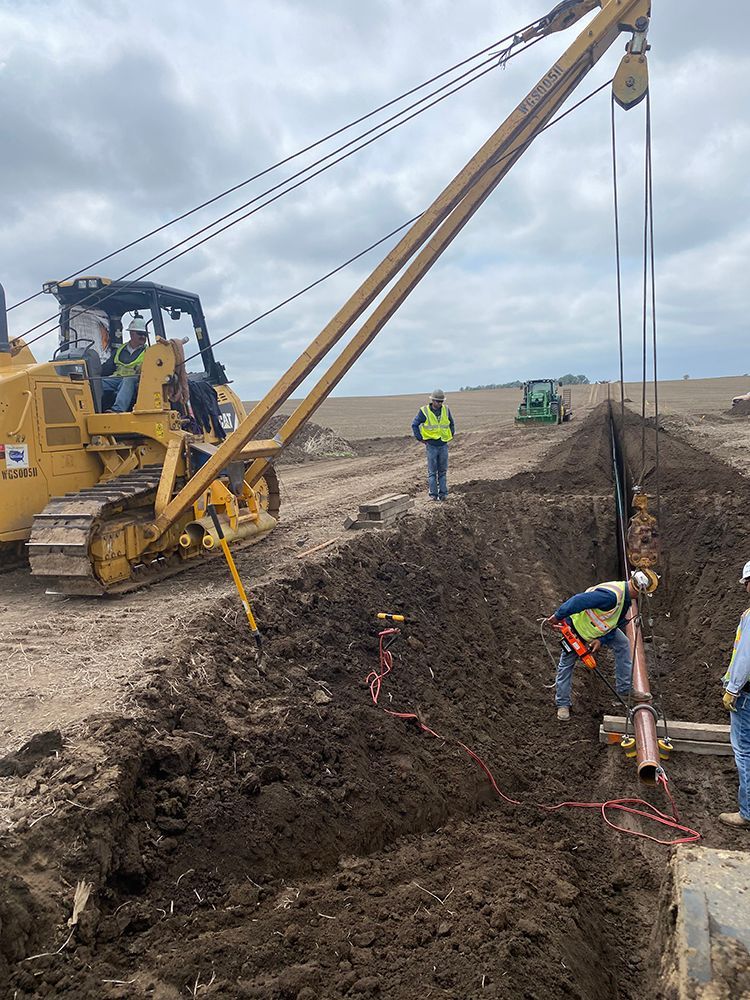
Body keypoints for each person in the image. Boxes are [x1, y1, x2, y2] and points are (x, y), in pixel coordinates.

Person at [546, 571, 653, 721]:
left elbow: (614, 623)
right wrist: (558, 616)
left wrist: (601, 640)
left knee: (623, 643)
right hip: (577, 629)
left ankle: (625, 689)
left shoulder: (625, 599)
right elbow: (578, 601)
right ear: (638, 589)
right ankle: (562, 704)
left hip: (597, 631)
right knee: (566, 664)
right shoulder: (611, 596)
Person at [719, 560, 750, 829]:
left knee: (744, 752)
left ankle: (747, 813)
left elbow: (745, 658)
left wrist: (732, 689)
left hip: (748, 695)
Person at [411, 389, 455, 501]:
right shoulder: (424, 411)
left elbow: (451, 423)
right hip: (431, 445)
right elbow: (415, 425)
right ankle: (433, 496)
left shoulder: (446, 410)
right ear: (432, 400)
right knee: (432, 473)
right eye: (437, 401)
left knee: (443, 471)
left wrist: (450, 435)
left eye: (441, 401)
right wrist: (420, 438)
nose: (440, 404)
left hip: (443, 444)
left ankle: (443, 494)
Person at [100, 316, 149, 412]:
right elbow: (107, 368)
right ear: (132, 333)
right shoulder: (120, 349)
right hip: (116, 379)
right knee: (95, 383)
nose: (143, 337)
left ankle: (118, 410)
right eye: (140, 334)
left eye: (145, 334)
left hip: (135, 382)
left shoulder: (149, 352)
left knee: (129, 379)